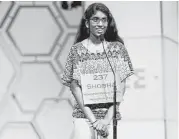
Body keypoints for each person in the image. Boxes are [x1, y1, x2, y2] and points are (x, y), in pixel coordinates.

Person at [61, 2, 134, 139]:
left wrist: (106, 120)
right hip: (83, 116)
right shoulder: (77, 50)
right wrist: (94, 121)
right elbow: (75, 87)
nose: (100, 24)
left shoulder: (117, 49)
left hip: (109, 116)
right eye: (95, 19)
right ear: (87, 24)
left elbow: (121, 87)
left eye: (104, 20)